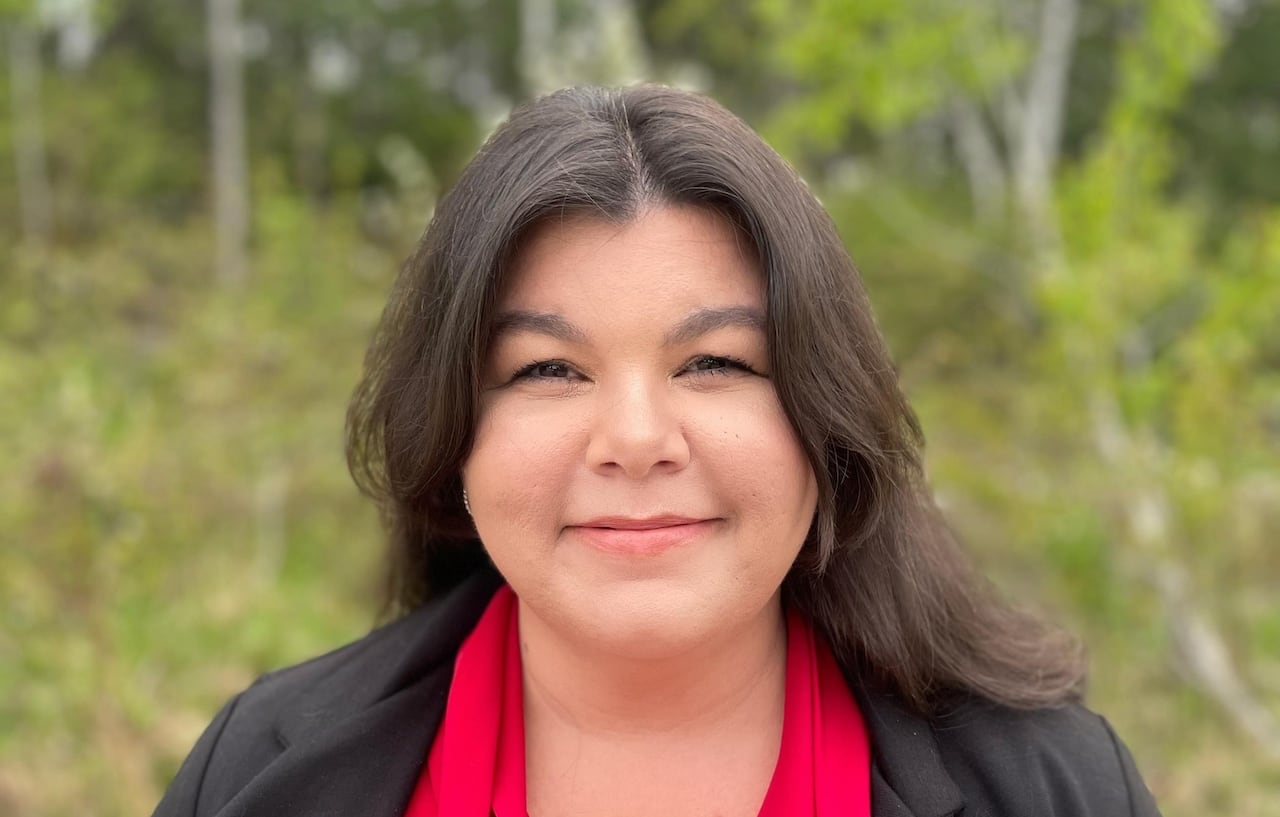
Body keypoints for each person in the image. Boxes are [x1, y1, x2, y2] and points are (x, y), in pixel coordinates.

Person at [152, 84, 1161, 817]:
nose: (635, 441)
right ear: (453, 434)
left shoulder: (1048, 786)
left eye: (713, 362)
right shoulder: (260, 770)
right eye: (548, 370)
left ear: (821, 415)